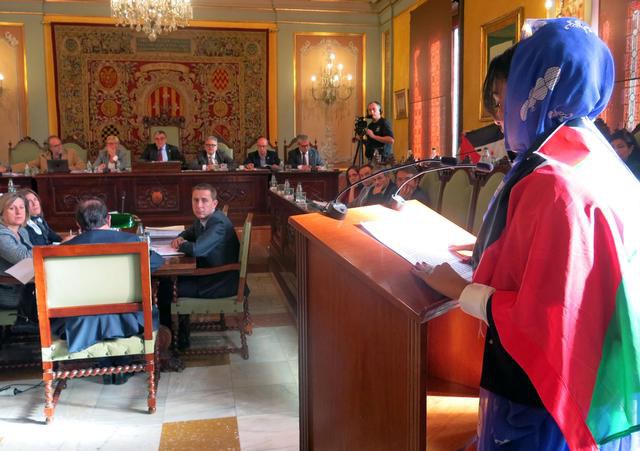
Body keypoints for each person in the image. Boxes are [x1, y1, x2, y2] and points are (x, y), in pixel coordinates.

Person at [412, 18, 640, 450]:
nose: (500, 115)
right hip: (602, 374)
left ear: (534, 90)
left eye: (507, 96)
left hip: (544, 393)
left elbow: (544, 318)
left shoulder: (550, 178)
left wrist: (458, 289)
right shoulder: (599, 159)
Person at [45, 198, 164, 385]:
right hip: (128, 320)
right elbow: (156, 262)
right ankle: (122, 365)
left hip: (80, 323)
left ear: (78, 224)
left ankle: (107, 365)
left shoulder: (64, 249)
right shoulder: (132, 242)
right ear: (108, 219)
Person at [167, 183, 242, 346]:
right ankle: (180, 332)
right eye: (195, 200)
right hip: (212, 275)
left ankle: (172, 339)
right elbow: (190, 232)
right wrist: (181, 237)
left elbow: (196, 250)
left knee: (165, 288)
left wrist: (181, 245)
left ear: (214, 203)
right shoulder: (205, 218)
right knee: (169, 281)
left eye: (204, 200)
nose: (199, 205)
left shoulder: (217, 223)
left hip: (220, 282)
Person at [0, 193, 32, 310]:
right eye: (12, 208)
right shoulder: (1, 235)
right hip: (9, 291)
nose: (19, 212)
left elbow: (31, 257)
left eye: (22, 207)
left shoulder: (22, 231)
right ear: (1, 213)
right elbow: (24, 258)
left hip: (27, 283)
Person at [13, 135, 85, 173]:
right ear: (50, 148)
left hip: (67, 182)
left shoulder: (71, 152)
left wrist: (68, 168)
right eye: (56, 146)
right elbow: (28, 165)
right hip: (49, 183)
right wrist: (10, 168)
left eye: (60, 144)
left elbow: (82, 165)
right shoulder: (43, 157)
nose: (60, 147)